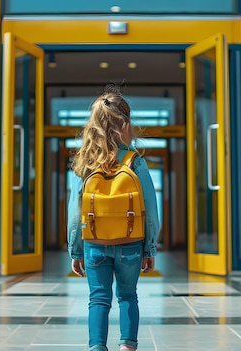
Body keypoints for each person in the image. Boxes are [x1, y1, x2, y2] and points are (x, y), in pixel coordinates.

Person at [67, 84, 160, 351]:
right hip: (130, 243)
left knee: (98, 299)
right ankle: (127, 347)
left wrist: (76, 251)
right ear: (125, 125)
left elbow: (76, 215)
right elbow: (150, 212)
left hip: (95, 244)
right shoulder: (135, 162)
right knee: (128, 296)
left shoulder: (85, 163)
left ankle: (97, 348)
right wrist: (149, 248)